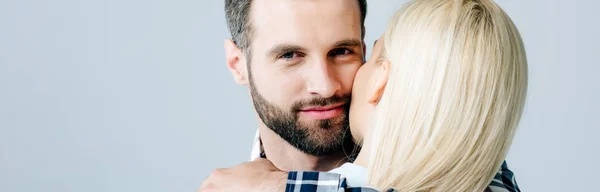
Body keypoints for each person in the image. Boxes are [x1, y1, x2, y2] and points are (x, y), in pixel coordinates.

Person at [198, 0, 522, 191]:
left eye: (341, 51)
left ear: (365, 50)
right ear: (237, 64)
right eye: (290, 56)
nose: (325, 86)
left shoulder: (464, 165)